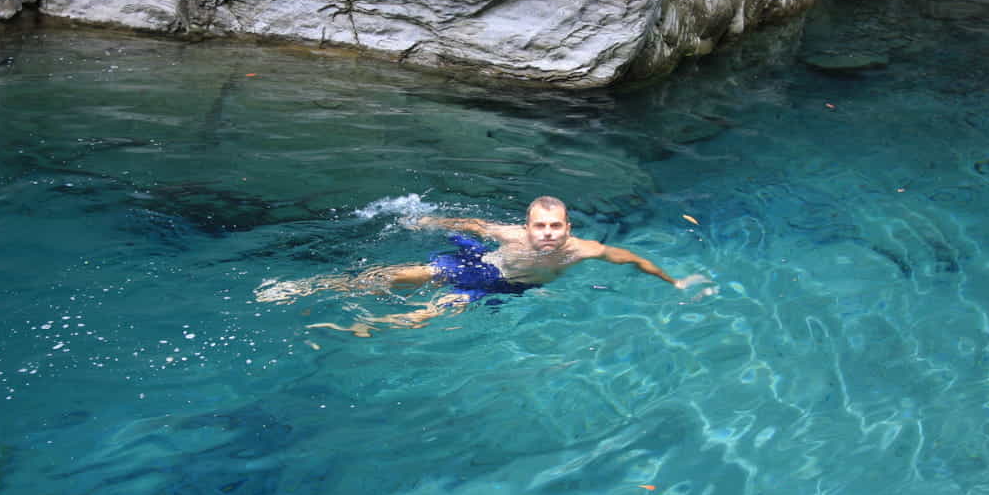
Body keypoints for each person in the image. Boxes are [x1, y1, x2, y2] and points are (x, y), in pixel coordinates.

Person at [255, 195, 710, 336]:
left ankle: (352, 328)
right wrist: (424, 221)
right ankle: (310, 287)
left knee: (428, 316)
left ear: (567, 227)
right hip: (484, 267)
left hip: (511, 288)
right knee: (401, 277)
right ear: (528, 226)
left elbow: (634, 260)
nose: (548, 233)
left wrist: (673, 282)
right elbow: (472, 222)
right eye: (540, 226)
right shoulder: (510, 235)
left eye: (556, 226)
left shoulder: (585, 249)